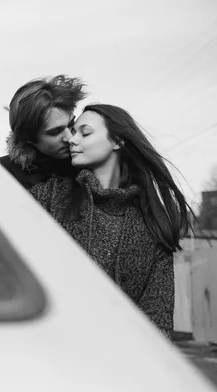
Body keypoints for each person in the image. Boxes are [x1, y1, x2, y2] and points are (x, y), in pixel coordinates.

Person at [30, 104, 192, 339]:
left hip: (120, 367)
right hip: (49, 358)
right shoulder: (52, 197)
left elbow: (158, 323)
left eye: (84, 133)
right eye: (73, 132)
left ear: (117, 141)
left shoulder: (153, 226)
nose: (72, 140)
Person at [0, 75, 87, 189]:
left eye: (71, 124)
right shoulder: (0, 174)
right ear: (28, 138)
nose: (70, 137)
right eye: (55, 132)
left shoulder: (90, 165)